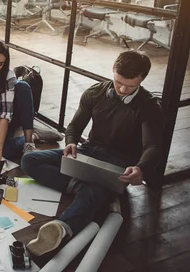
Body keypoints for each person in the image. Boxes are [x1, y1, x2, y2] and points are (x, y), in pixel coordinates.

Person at [21, 50, 162, 256]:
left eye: (130, 86)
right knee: (29, 160)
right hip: (88, 151)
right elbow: (74, 127)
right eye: (118, 82)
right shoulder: (94, 93)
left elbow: (152, 146)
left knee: (94, 190)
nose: (122, 89)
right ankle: (83, 186)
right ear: (113, 71)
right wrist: (70, 142)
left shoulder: (149, 106)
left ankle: (60, 229)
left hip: (118, 163)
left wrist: (140, 168)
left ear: (142, 80)